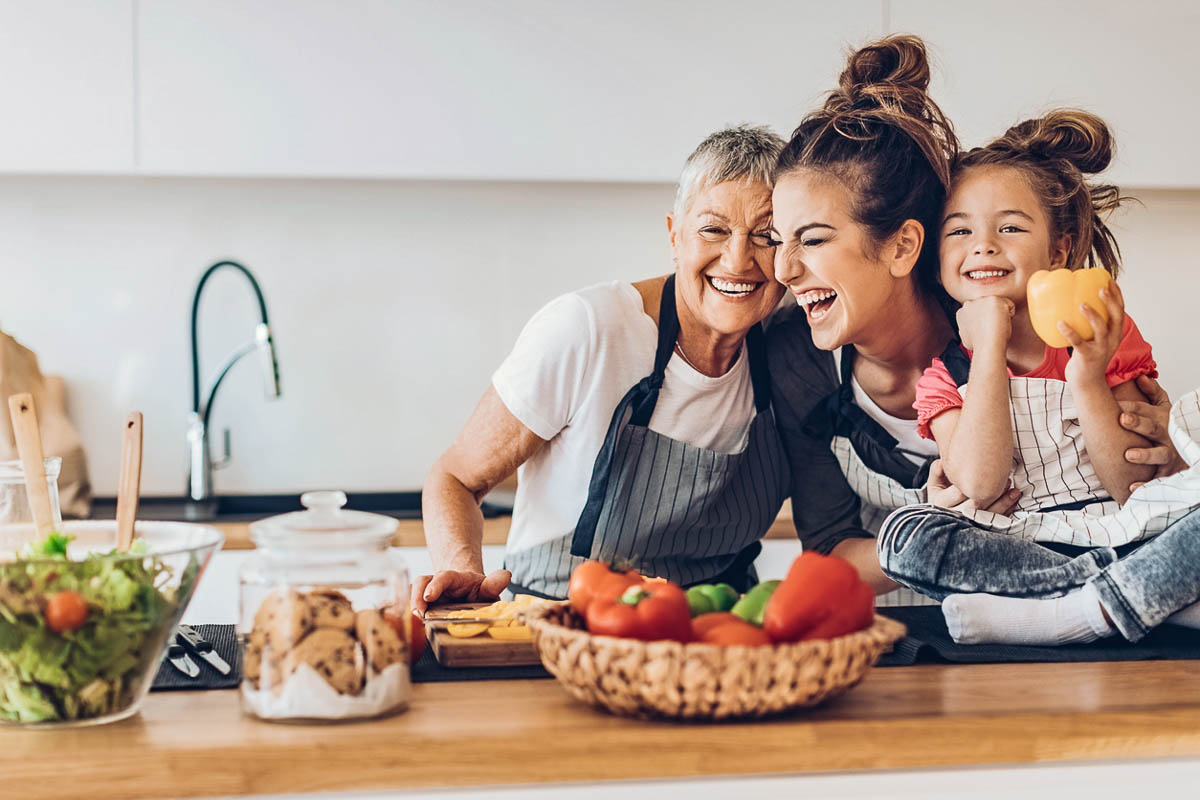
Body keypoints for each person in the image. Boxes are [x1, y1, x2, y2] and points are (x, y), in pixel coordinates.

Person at [764, 35, 1186, 604]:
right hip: (915, 622)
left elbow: (1138, 476)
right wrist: (934, 520)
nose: (784, 269)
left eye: (812, 240)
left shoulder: (1018, 318)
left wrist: (1174, 445)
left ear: (903, 246)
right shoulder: (796, 359)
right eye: (778, 241)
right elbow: (830, 549)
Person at [415, 125, 791, 611]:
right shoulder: (588, 330)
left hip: (719, 634)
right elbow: (455, 477)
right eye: (713, 229)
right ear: (675, 235)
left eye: (767, 235)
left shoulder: (797, 348)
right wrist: (464, 569)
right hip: (558, 626)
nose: (739, 259)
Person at [877, 110, 1200, 645]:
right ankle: (1137, 599)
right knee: (904, 535)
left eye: (1009, 227)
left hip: (1128, 532)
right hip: (1025, 549)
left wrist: (1089, 375)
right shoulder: (944, 376)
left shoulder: (1101, 334)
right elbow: (981, 485)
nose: (983, 245)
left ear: (1059, 249)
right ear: (937, 260)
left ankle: (1076, 613)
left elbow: (1129, 486)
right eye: (959, 230)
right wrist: (989, 349)